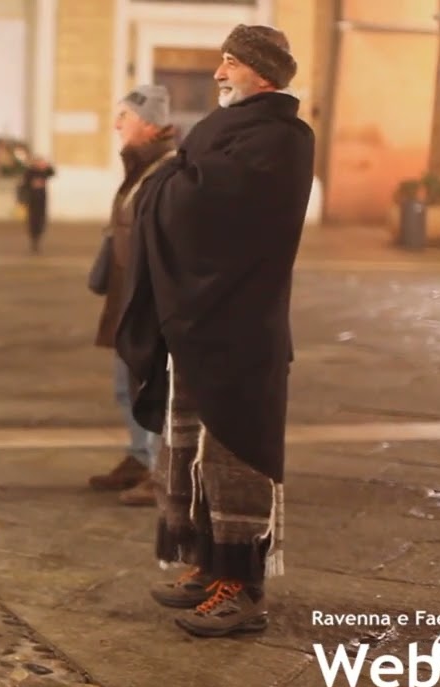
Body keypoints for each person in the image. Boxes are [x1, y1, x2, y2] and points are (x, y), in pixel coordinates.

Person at [116, 25, 313, 638]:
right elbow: (185, 186)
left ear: (262, 72)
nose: (219, 74)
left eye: (230, 63)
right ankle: (207, 564)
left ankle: (243, 588)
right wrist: (176, 181)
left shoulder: (284, 138)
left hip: (243, 327)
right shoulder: (224, 130)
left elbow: (214, 205)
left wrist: (174, 181)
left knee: (237, 454)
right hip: (199, 321)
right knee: (193, 450)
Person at [87, 85, 176, 506]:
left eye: (123, 116)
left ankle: (162, 471)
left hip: (147, 300)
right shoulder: (142, 167)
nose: (116, 125)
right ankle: (141, 457)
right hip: (127, 295)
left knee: (148, 387)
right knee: (126, 387)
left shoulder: (165, 171)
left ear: (147, 123)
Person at [19, 156, 55, 254]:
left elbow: (52, 173)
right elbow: (24, 184)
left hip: (42, 200)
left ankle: (38, 239)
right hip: (32, 200)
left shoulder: (43, 172)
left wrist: (47, 166)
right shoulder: (30, 172)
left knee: (41, 220)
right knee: (32, 220)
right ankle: (34, 240)